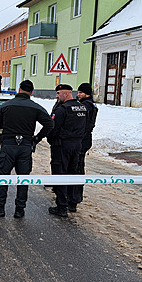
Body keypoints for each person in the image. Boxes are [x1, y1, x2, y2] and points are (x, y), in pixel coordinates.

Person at [0, 80, 54, 218]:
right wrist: (37, 138)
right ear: (31, 92)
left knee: (3, 178)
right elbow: (49, 124)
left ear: (19, 89)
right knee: (23, 179)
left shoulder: (7, 105)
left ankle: (0, 207)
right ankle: (19, 209)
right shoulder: (35, 107)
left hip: (8, 145)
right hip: (25, 146)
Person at [47, 84, 87, 218]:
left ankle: (61, 206)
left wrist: (51, 139)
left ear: (66, 93)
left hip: (62, 145)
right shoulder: (82, 107)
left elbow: (53, 128)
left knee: (60, 174)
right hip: (76, 145)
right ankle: (72, 203)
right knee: (72, 173)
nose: (57, 96)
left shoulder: (62, 109)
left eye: (58, 93)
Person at [75, 83, 98, 204]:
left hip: (81, 140)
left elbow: (83, 125)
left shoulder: (85, 107)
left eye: (80, 92)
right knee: (79, 167)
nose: (78, 95)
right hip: (85, 140)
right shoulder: (90, 105)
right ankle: (76, 196)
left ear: (87, 94)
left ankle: (76, 197)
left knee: (77, 168)